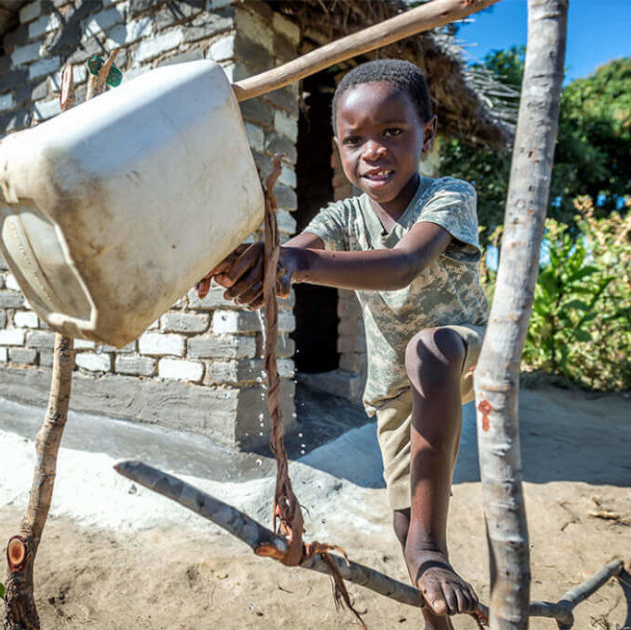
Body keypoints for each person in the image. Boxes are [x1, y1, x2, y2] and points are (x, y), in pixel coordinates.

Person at [197, 59, 488, 629]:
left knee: (429, 350)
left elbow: (403, 264)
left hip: (460, 350)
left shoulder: (448, 197)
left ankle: (433, 552)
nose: (373, 150)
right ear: (338, 148)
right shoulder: (342, 215)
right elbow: (292, 257)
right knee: (406, 518)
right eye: (355, 140)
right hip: (393, 386)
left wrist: (295, 261)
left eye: (393, 133)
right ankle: (435, 605)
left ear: (427, 133)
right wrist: (248, 268)